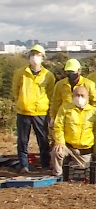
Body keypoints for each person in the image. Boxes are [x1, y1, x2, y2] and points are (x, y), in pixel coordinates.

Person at [12, 44, 56, 173]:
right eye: (32, 55)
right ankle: (24, 164)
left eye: (38, 55)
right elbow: (15, 90)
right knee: (22, 140)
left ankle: (45, 164)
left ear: (43, 58)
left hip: (40, 112)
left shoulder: (48, 76)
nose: (34, 58)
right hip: (23, 110)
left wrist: (47, 110)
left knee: (42, 139)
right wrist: (21, 101)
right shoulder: (20, 73)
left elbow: (51, 93)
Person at [51, 86, 96, 178]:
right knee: (57, 152)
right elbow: (58, 126)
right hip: (68, 147)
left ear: (87, 97)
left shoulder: (95, 112)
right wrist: (59, 142)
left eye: (82, 95)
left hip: (85, 150)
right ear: (72, 96)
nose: (79, 98)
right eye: (77, 95)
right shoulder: (64, 109)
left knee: (82, 173)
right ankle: (58, 175)